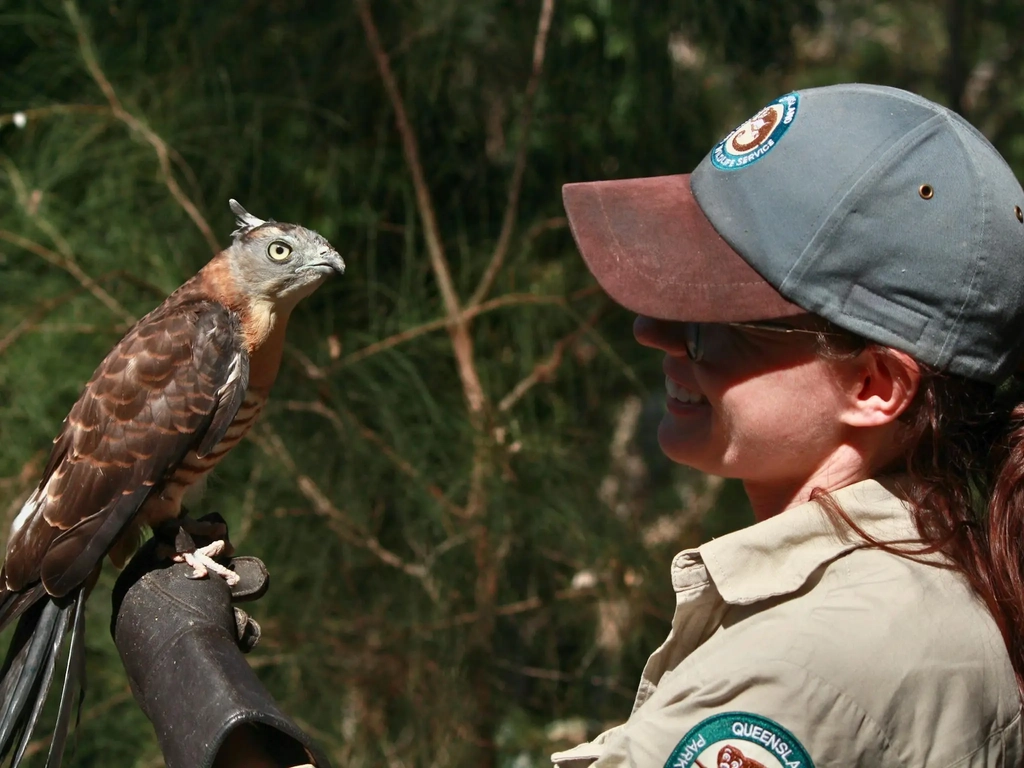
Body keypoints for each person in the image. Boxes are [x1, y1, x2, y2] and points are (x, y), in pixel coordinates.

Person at [112, 82, 1024, 766]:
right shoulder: (937, 575)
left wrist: (204, 694)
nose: (650, 331)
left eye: (708, 317)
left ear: (875, 384)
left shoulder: (809, 667)